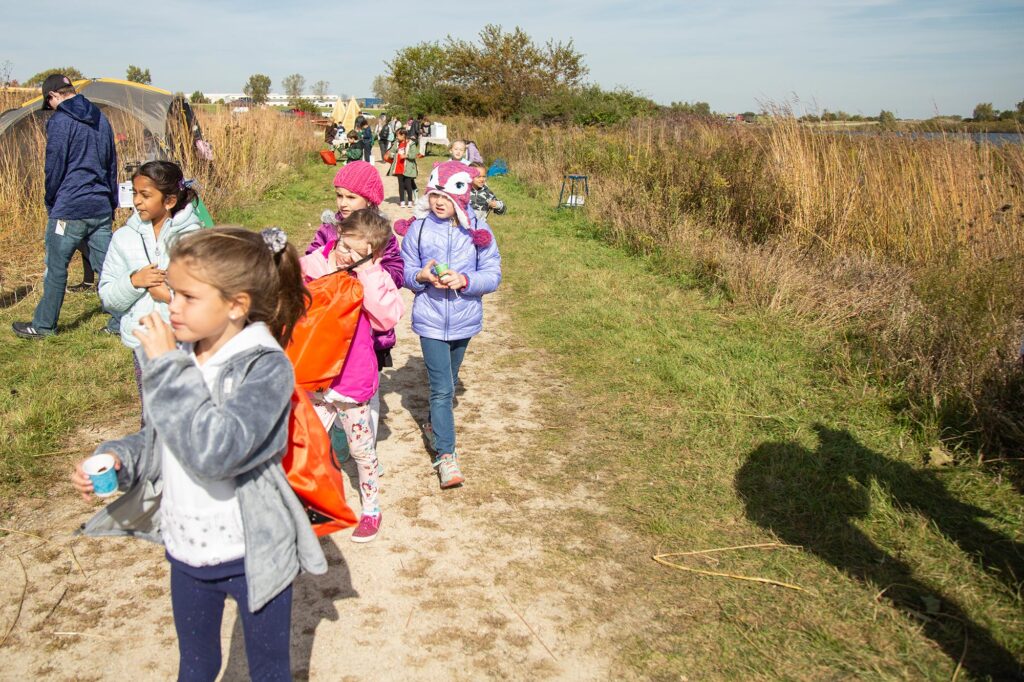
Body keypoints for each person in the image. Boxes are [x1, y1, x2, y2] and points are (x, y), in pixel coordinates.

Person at [73, 226, 325, 680]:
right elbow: (162, 438)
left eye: (188, 297)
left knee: (268, 671)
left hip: (251, 550)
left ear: (236, 305)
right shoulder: (185, 353)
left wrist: (167, 367)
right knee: (195, 665)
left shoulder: (265, 368)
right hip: (187, 547)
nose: (171, 305)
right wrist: (120, 459)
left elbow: (217, 452)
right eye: (172, 292)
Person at [300, 209, 403, 542]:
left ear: (371, 254)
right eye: (343, 243)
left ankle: (371, 508)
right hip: (317, 376)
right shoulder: (318, 264)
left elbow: (387, 317)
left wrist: (367, 273)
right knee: (307, 444)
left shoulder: (373, 277)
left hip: (351, 381)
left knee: (362, 451)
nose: (343, 253)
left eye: (354, 252)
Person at [398, 161, 502, 488]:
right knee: (442, 388)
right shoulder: (418, 228)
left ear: (462, 196)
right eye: (434, 195)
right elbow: (403, 269)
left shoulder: (478, 231)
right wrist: (421, 276)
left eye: (445, 196)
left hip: (464, 319)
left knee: (451, 380)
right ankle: (447, 456)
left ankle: (432, 425)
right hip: (429, 318)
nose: (439, 202)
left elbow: (493, 274)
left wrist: (464, 279)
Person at [305, 162, 404, 459]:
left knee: (366, 396)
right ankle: (337, 429)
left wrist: (370, 273)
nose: (343, 203)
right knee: (329, 387)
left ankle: (366, 451)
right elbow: (313, 259)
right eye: (339, 196)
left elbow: (396, 271)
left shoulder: (380, 233)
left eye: (351, 197)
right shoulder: (329, 229)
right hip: (332, 327)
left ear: (369, 200)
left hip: (369, 333)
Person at [13, 74, 119, 339]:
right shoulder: (101, 118)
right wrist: (112, 201)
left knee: (56, 268)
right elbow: (112, 163)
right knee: (109, 268)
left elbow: (54, 166)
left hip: (70, 207)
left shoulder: (60, 120)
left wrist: (51, 201)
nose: (50, 108)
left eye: (48, 104)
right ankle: (122, 321)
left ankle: (44, 326)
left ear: (53, 97)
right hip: (101, 205)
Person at [98, 161, 204, 406]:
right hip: (144, 343)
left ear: (169, 201)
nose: (136, 201)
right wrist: (135, 282)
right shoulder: (123, 239)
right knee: (153, 411)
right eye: (135, 193)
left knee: (187, 409)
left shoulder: (194, 239)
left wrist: (169, 296)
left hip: (187, 342)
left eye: (145, 195)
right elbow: (109, 297)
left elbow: (210, 297)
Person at [385, 128, 418, 208]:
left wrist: (406, 155)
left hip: (408, 168)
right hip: (399, 167)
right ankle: (402, 201)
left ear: (403, 135)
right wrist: (393, 155)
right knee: (401, 185)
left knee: (408, 185)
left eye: (398, 135)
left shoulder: (411, 144)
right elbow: (391, 152)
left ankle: (410, 201)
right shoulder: (396, 143)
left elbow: (414, 155)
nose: (396, 137)